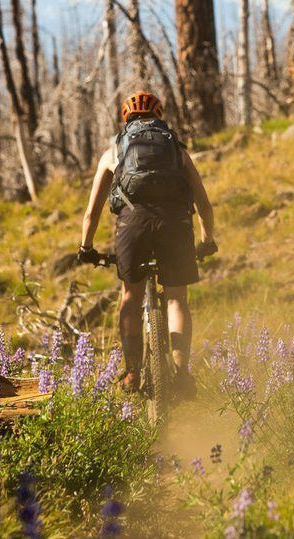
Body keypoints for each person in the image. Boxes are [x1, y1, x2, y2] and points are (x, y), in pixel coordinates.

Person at [77, 91, 216, 398]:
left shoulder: (114, 150)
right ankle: (181, 374)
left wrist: (86, 248)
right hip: (175, 224)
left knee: (131, 295)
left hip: (133, 225)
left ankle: (131, 372)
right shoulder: (176, 149)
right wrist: (207, 241)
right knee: (177, 298)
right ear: (159, 116)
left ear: (125, 119)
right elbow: (204, 204)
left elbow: (92, 212)